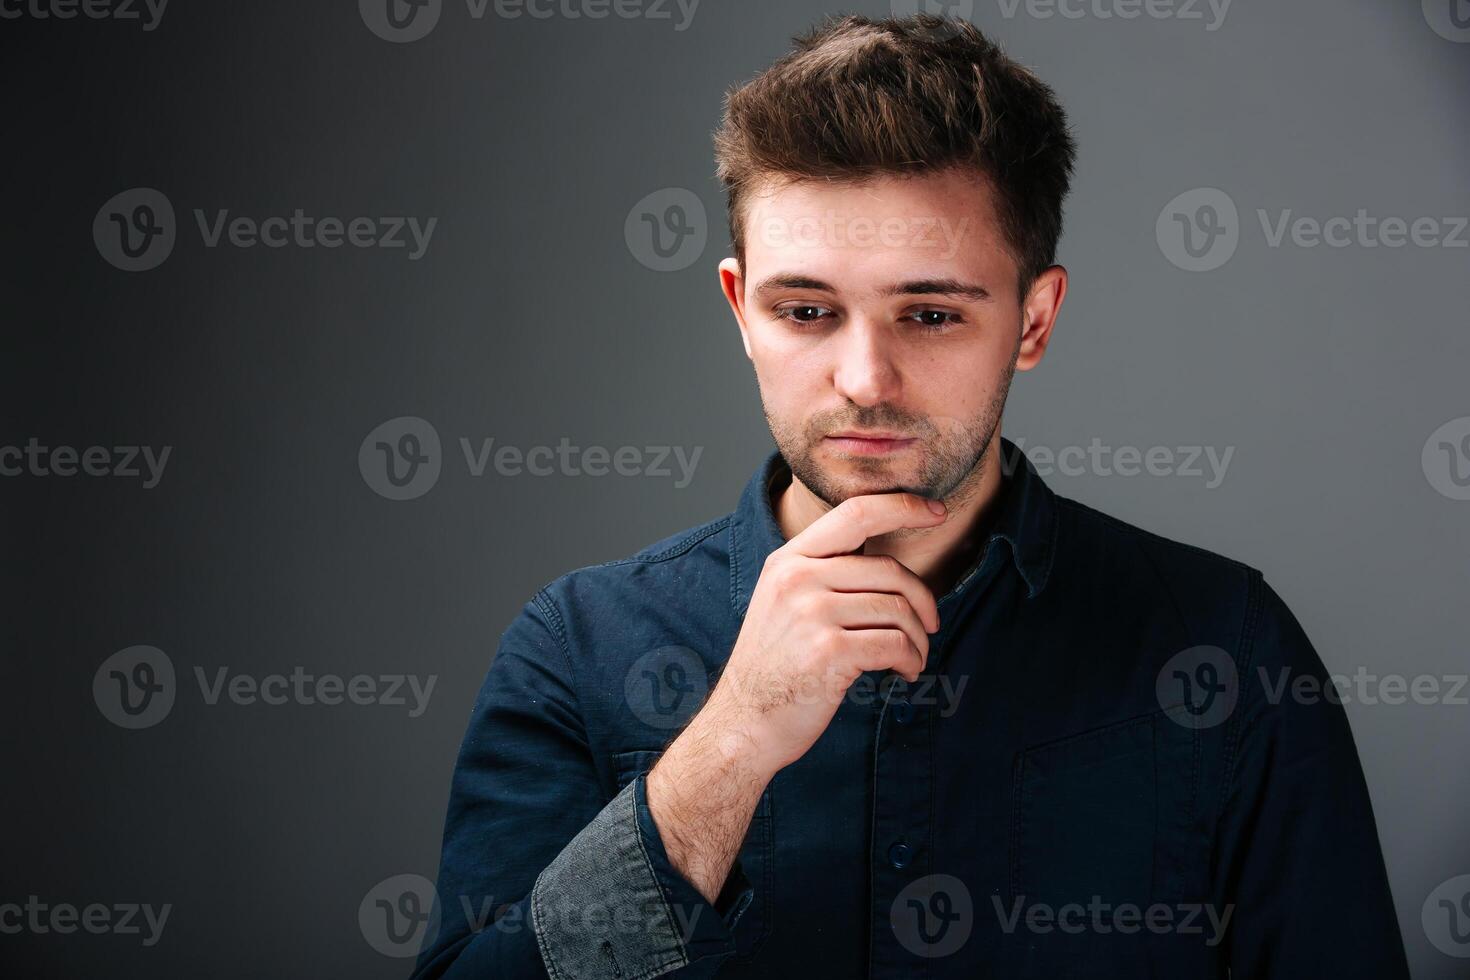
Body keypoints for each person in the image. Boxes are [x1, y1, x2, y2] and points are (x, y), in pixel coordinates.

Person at [411, 14, 1409, 978]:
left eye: (929, 313)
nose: (865, 378)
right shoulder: (576, 647)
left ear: (1033, 319)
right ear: (741, 311)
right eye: (805, 310)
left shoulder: (1227, 647)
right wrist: (729, 745)